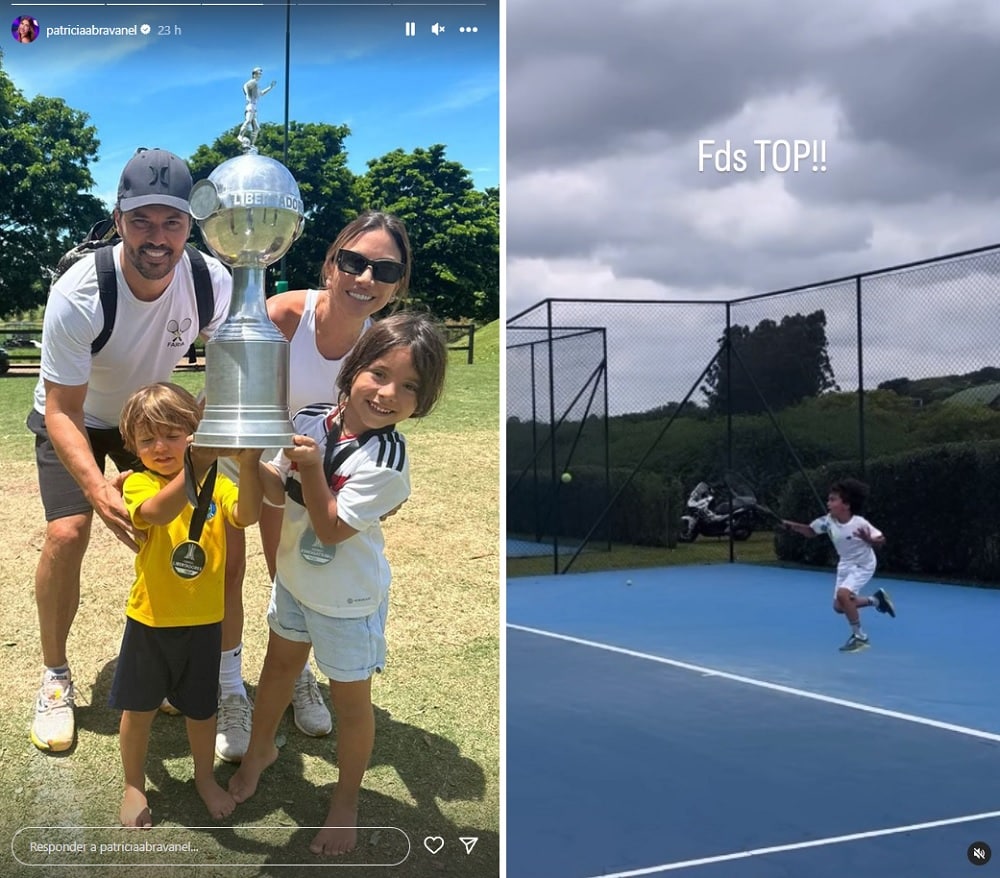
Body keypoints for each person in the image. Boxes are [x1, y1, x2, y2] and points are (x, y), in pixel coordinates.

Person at [26, 147, 233, 754]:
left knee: (191, 530)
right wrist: (97, 491)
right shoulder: (81, 290)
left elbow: (226, 375)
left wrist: (203, 439)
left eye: (171, 222)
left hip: (146, 418)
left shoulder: (209, 279)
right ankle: (56, 676)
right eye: (141, 220)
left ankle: (178, 667)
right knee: (68, 533)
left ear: (189, 225)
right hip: (77, 415)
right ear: (118, 220)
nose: (157, 236)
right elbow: (61, 408)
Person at [228, 312, 448, 856]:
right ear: (351, 370)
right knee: (278, 666)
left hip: (348, 601)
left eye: (410, 386)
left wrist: (309, 468)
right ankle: (260, 751)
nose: (388, 392)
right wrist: (249, 450)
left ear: (422, 402)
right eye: (378, 373)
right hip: (295, 581)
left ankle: (345, 800)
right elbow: (272, 490)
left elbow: (328, 528)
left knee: (352, 704)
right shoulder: (311, 417)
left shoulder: (387, 460)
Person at [214, 211, 412, 762]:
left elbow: (373, 431)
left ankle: (297, 676)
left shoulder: (380, 348)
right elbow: (237, 395)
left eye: (384, 269)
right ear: (331, 263)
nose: (365, 278)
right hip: (248, 457)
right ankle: (230, 689)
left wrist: (365, 488)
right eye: (353, 262)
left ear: (398, 283)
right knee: (229, 570)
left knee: (289, 577)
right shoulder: (282, 313)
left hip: (310, 476)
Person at [113, 383, 264, 827]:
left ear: (195, 433)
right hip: (151, 620)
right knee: (138, 710)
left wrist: (249, 464)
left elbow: (248, 514)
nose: (160, 447)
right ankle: (134, 784)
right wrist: (196, 465)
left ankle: (204, 777)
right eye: (146, 439)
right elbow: (158, 512)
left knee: (202, 711)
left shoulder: (216, 480)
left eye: (172, 434)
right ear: (132, 447)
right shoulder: (139, 483)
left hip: (205, 622)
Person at [782, 478, 895, 652]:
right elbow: (811, 531)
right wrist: (792, 527)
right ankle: (877, 600)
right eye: (828, 499)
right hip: (845, 564)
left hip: (863, 564)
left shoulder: (859, 522)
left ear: (846, 505)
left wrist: (868, 539)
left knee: (844, 594)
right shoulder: (828, 522)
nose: (828, 503)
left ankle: (860, 637)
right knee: (839, 607)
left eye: (833, 499)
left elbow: (881, 540)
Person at [237, 67, 276, 150]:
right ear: (254, 74)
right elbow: (245, 86)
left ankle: (251, 144)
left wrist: (270, 87)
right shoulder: (253, 82)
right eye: (259, 73)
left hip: (254, 107)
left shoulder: (256, 85)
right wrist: (247, 95)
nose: (260, 75)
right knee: (248, 121)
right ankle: (240, 135)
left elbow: (261, 93)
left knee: (256, 128)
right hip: (250, 105)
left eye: (261, 74)